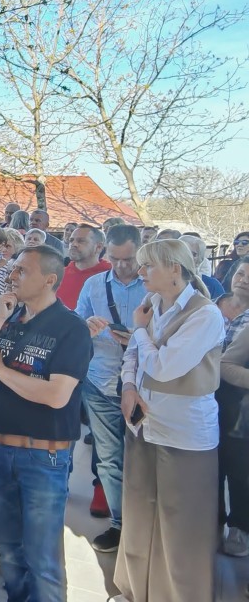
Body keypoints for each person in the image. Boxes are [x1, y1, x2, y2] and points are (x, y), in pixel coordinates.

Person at [0, 246, 93, 602]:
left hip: (42, 457)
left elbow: (56, 395)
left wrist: (1, 370)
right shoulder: (8, 318)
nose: (12, 275)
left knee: (42, 558)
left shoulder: (71, 328)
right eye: (14, 268)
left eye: (22, 270)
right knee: (7, 547)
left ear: (49, 280)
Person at [112, 239, 224, 602]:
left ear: (175, 268)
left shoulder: (205, 314)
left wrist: (139, 331)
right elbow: (133, 355)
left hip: (184, 432)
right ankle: (134, 591)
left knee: (181, 527)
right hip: (143, 423)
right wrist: (129, 386)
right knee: (139, 513)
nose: (140, 272)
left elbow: (163, 367)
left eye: (148, 266)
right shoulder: (152, 303)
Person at [76, 224, 146, 552]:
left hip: (144, 386)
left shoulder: (155, 286)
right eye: (115, 259)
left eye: (128, 259)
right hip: (99, 381)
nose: (121, 266)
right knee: (108, 459)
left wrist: (139, 339)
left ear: (141, 252)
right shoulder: (94, 284)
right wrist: (86, 326)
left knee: (143, 458)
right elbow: (77, 323)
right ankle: (119, 524)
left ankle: (144, 525)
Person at [219, 257, 249, 557]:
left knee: (241, 469)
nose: (244, 279)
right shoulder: (212, 306)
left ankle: (239, 525)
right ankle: (212, 520)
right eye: (240, 273)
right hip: (209, 398)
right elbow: (223, 364)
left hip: (241, 405)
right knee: (213, 465)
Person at [58, 224, 110, 310]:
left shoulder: (111, 276)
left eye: (81, 241)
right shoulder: (57, 275)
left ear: (99, 247)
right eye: (71, 240)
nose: (73, 244)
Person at [179, 234, 225, 298]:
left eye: (193, 254)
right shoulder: (165, 281)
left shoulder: (212, 285)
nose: (187, 256)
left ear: (200, 260)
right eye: (183, 252)